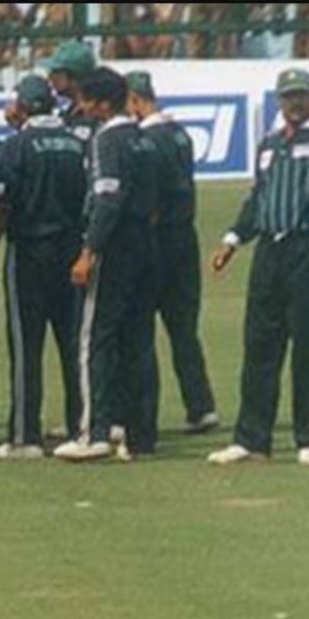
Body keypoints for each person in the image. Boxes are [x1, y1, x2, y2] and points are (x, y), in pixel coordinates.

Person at [208, 69, 309, 467]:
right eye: (289, 96)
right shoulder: (269, 145)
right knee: (259, 343)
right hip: (269, 251)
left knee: (308, 344)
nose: (295, 103)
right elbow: (256, 199)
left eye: (301, 96)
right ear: (279, 100)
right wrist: (231, 240)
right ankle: (251, 439)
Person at [54, 67, 160, 463]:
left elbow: (107, 198)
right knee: (139, 340)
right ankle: (141, 434)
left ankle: (93, 431)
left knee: (94, 338)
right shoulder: (144, 138)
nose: (79, 107)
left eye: (83, 99)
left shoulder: (106, 140)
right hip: (146, 245)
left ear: (99, 103)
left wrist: (88, 251)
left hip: (114, 245)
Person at [0, 75, 86, 460]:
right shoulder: (78, 144)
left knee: (27, 344)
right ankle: (81, 425)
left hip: (29, 252)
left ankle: (26, 434)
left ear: (23, 107)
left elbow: (1, 204)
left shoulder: (16, 146)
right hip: (72, 250)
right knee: (74, 343)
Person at [126, 70, 220, 434]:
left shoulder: (148, 139)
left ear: (135, 99)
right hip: (186, 236)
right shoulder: (181, 134)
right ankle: (201, 405)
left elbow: (151, 193)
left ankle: (140, 414)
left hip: (159, 238)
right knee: (183, 328)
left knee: (142, 327)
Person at [39, 40, 99, 143]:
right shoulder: (69, 113)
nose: (50, 78)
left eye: (56, 72)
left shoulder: (95, 114)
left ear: (74, 78)